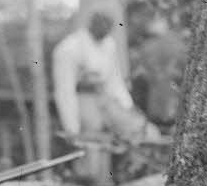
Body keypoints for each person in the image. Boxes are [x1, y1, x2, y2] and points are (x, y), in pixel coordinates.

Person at [52, 10, 155, 145]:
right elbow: (65, 91)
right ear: (92, 23)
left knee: (144, 130)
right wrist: (71, 127)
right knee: (93, 135)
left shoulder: (108, 44)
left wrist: (127, 105)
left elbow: (114, 80)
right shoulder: (69, 48)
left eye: (108, 26)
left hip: (105, 98)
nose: (105, 29)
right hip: (82, 99)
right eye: (101, 24)